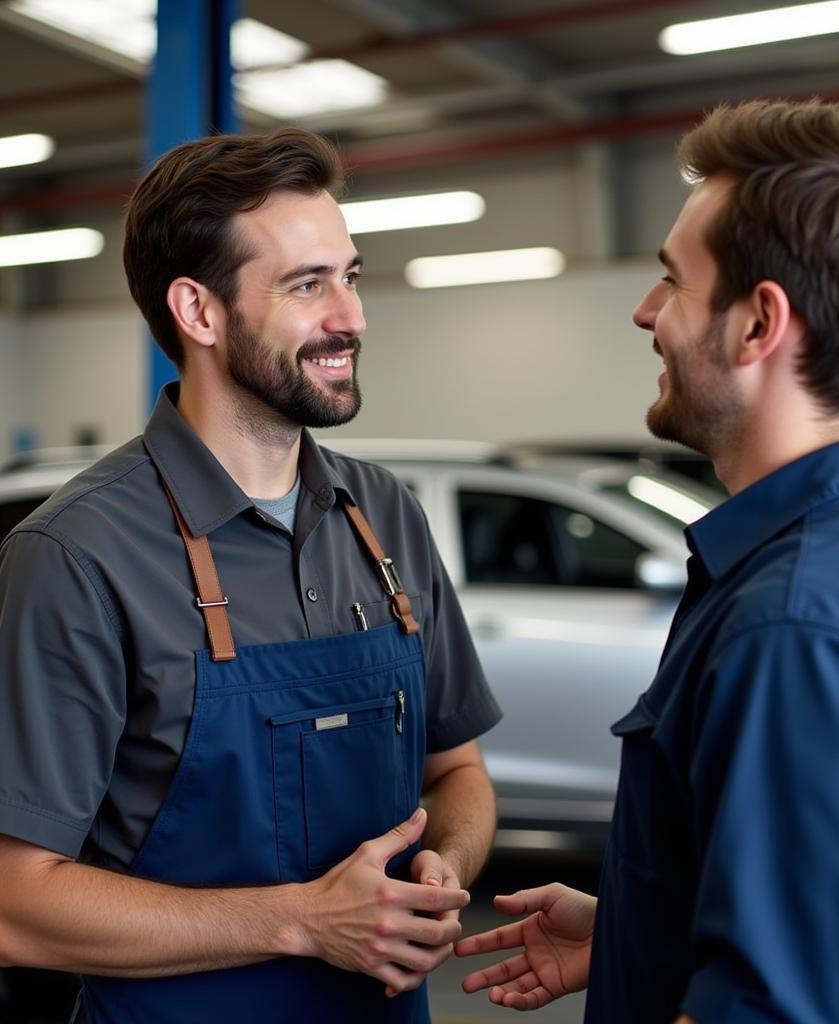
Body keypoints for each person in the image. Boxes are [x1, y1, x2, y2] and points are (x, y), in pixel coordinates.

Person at [456, 99, 839, 1022]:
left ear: (760, 324)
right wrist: (648, 930)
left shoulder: (802, 627)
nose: (646, 314)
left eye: (673, 282)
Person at [0, 128, 503, 1023]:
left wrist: (443, 869)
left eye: (349, 276)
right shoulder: (77, 556)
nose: (350, 316)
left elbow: (457, 771)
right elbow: (16, 903)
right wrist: (304, 922)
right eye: (307, 285)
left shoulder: (384, 515)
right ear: (198, 312)